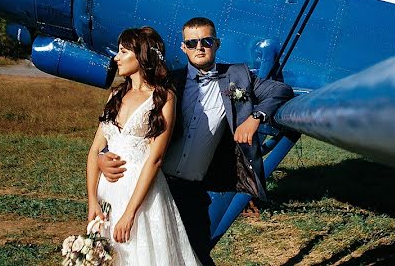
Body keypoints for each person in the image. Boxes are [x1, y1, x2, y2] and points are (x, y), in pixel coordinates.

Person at [97, 17, 294, 265]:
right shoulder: (168, 84)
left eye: (206, 41)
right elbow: (128, 124)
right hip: (155, 187)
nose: (199, 47)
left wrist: (255, 117)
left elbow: (281, 91)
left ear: (217, 43)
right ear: (183, 48)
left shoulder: (238, 77)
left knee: (196, 256)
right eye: (191, 43)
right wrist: (102, 155)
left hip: (194, 192)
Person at [86, 27, 201, 265]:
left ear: (141, 56)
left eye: (123, 51)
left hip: (141, 196)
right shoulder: (115, 95)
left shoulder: (164, 97)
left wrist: (130, 214)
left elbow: (155, 158)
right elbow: (95, 150)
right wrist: (92, 202)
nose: (116, 57)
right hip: (107, 192)